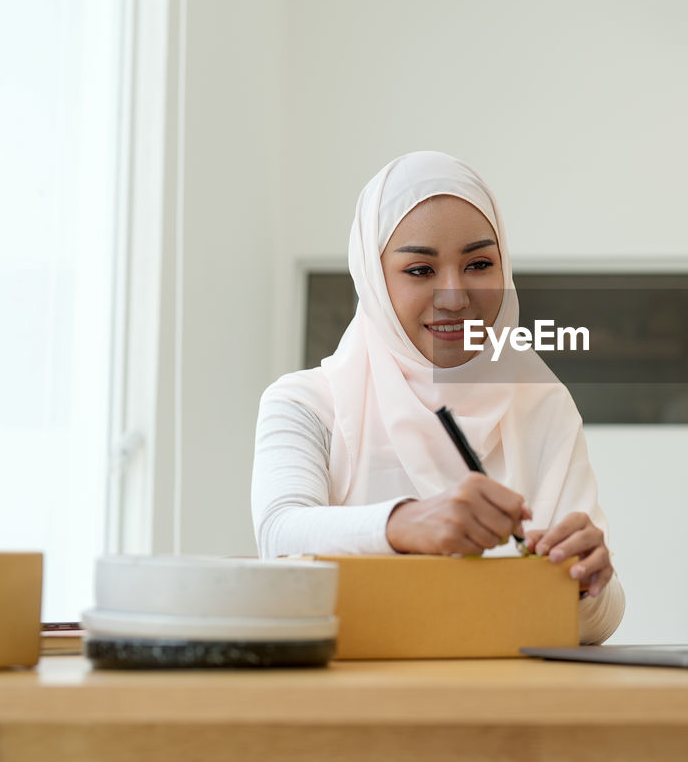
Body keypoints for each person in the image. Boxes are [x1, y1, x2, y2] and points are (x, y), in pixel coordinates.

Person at [251, 151, 624, 644]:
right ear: (373, 278)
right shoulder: (305, 404)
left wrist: (586, 582)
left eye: (478, 264)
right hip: (352, 700)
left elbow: (597, 625)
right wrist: (404, 524)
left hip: (509, 704)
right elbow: (279, 538)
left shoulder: (541, 403)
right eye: (420, 270)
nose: (454, 295)